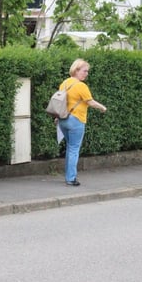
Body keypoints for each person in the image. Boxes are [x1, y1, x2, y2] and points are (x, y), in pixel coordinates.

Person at [57, 58, 107, 186]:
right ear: (76, 70)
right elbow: (90, 102)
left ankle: (68, 176)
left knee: (70, 147)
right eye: (84, 71)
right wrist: (102, 107)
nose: (86, 73)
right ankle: (71, 178)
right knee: (74, 149)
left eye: (87, 71)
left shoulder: (64, 83)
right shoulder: (81, 86)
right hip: (76, 120)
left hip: (63, 120)